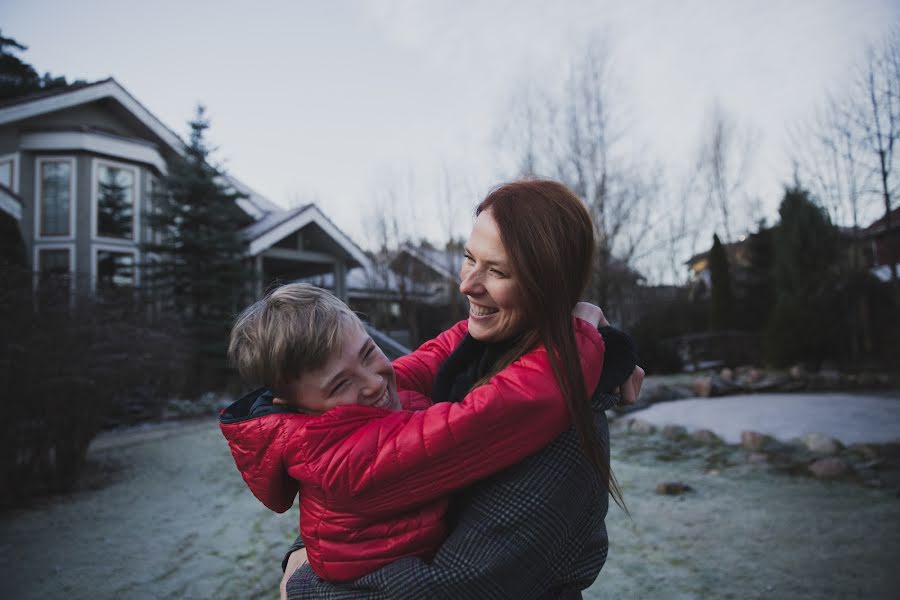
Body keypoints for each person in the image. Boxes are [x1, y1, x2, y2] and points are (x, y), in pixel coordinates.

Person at [280, 179, 642, 599]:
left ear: (550, 286)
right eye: (469, 259)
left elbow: (455, 587)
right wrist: (302, 548)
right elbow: (363, 470)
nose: (467, 284)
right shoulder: (466, 366)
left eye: (499, 271)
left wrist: (305, 587)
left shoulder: (562, 430)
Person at [220, 281, 615, 581]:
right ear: (294, 408)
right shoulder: (354, 459)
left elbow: (434, 357)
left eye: (369, 352)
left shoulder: (359, 404)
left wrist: (511, 313)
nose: (374, 382)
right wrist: (576, 335)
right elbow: (499, 414)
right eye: (340, 385)